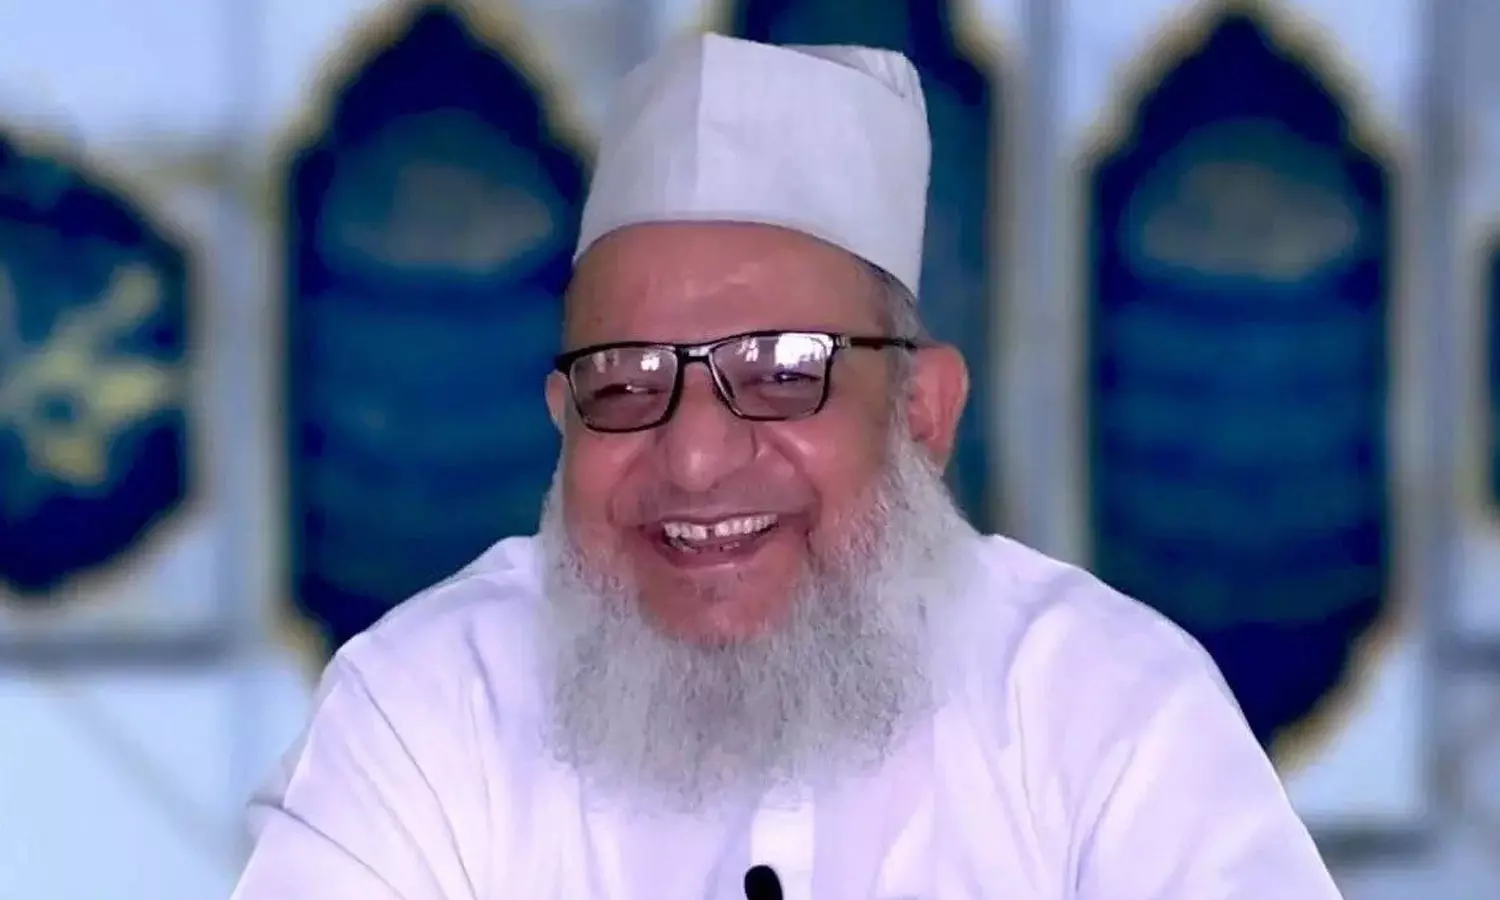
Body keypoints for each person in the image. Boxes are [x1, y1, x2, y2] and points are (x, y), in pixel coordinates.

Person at [231, 33, 1343, 900]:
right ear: (563, 423)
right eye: (626, 382)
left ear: (921, 412)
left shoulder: (1109, 709)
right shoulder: (426, 707)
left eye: (780, 371)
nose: (695, 457)